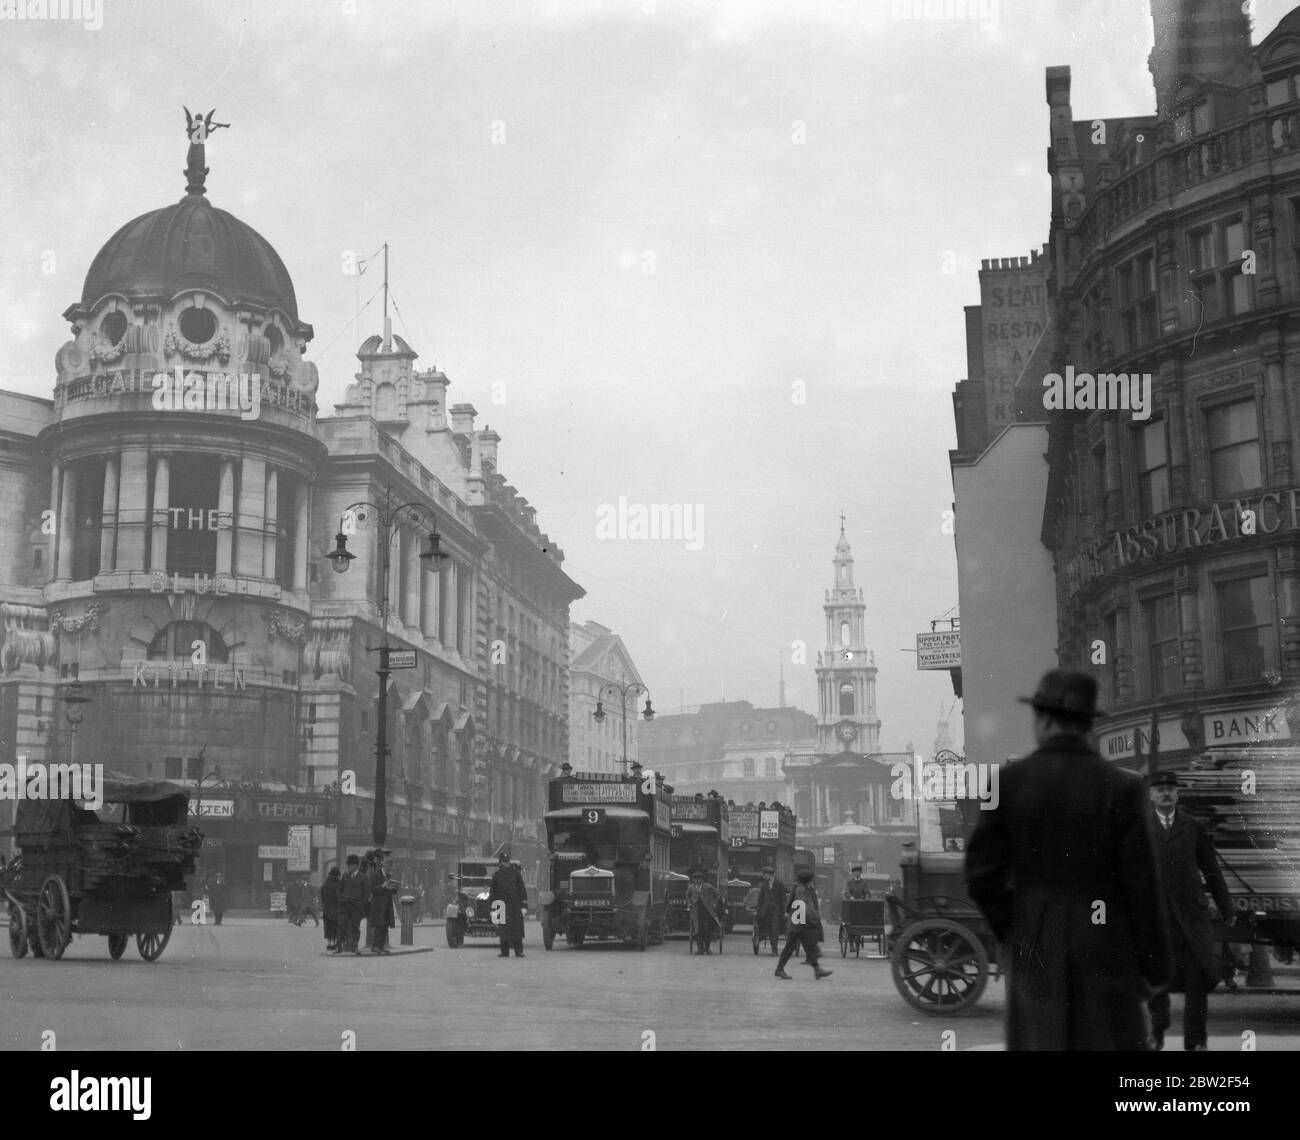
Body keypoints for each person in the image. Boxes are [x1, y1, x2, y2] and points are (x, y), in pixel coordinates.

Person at [965, 670, 1168, 1050]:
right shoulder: (1123, 788)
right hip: (1106, 935)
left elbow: (981, 874)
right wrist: (1155, 966)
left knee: (1043, 1039)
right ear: (1090, 725)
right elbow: (1141, 884)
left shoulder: (1006, 783)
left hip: (1036, 941)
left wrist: (1018, 926)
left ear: (1041, 720)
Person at [1147, 771, 1234, 1052]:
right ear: (1151, 795)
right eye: (1160, 789)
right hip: (1157, 917)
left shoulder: (1193, 827)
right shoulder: (1140, 827)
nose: (1166, 793)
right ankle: (1157, 1031)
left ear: (1178, 793)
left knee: (1198, 978)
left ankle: (1196, 1040)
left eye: (1170, 788)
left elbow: (1211, 870)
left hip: (1192, 917)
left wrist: (1226, 907)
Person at [775, 868, 831, 979]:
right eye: (811, 879)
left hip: (800, 922)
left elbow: (791, 902)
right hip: (800, 923)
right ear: (807, 880)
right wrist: (812, 919)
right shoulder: (801, 889)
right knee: (792, 947)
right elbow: (803, 906)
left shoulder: (802, 888)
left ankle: (817, 970)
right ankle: (779, 969)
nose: (813, 881)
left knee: (808, 946)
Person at [488, 851, 527, 958]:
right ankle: (504, 952)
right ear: (500, 863)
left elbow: (522, 891)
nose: (505, 864)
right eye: (503, 862)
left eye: (506, 862)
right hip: (500, 905)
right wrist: (493, 911)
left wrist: (524, 906)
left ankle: (519, 951)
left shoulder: (516, 874)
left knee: (517, 931)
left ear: (508, 862)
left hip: (515, 905)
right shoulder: (496, 876)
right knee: (503, 931)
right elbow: (493, 894)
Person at [338, 854, 371, 955]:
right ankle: (346, 945)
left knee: (355, 927)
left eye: (350, 865)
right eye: (348, 865)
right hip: (346, 906)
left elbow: (366, 893)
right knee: (343, 925)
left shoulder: (363, 877)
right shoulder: (345, 876)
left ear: (355, 866)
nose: (348, 867)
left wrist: (361, 904)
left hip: (357, 907)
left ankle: (354, 945)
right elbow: (340, 890)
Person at [686, 870, 721, 955]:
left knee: (707, 930)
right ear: (694, 880)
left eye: (699, 879)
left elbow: (717, 894)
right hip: (696, 911)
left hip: (707, 912)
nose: (697, 881)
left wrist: (714, 903)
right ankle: (699, 949)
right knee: (698, 931)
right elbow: (687, 895)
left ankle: (707, 948)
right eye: (696, 879)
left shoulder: (708, 887)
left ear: (702, 879)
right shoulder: (691, 887)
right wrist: (689, 903)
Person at [367, 851, 396, 954]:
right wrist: (383, 886)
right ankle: (375, 946)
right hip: (378, 905)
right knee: (379, 927)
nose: (389, 868)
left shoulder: (388, 876)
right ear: (383, 866)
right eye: (388, 866)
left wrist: (393, 888)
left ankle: (381, 946)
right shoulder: (376, 875)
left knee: (384, 926)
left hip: (386, 905)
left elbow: (390, 891)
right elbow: (373, 889)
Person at [754, 865, 786, 955]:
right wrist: (758, 910)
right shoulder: (764, 885)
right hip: (765, 911)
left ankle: (774, 950)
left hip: (776, 911)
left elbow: (783, 899)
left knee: (774, 929)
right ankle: (760, 937)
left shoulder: (780, 884)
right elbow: (760, 899)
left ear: (769, 874)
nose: (763, 876)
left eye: (764, 874)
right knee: (762, 926)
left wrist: (785, 911)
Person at [322, 867, 341, 952]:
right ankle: (334, 943)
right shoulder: (338, 884)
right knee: (335, 926)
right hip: (336, 909)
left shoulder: (325, 885)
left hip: (326, 909)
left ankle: (329, 943)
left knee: (328, 927)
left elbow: (322, 897)